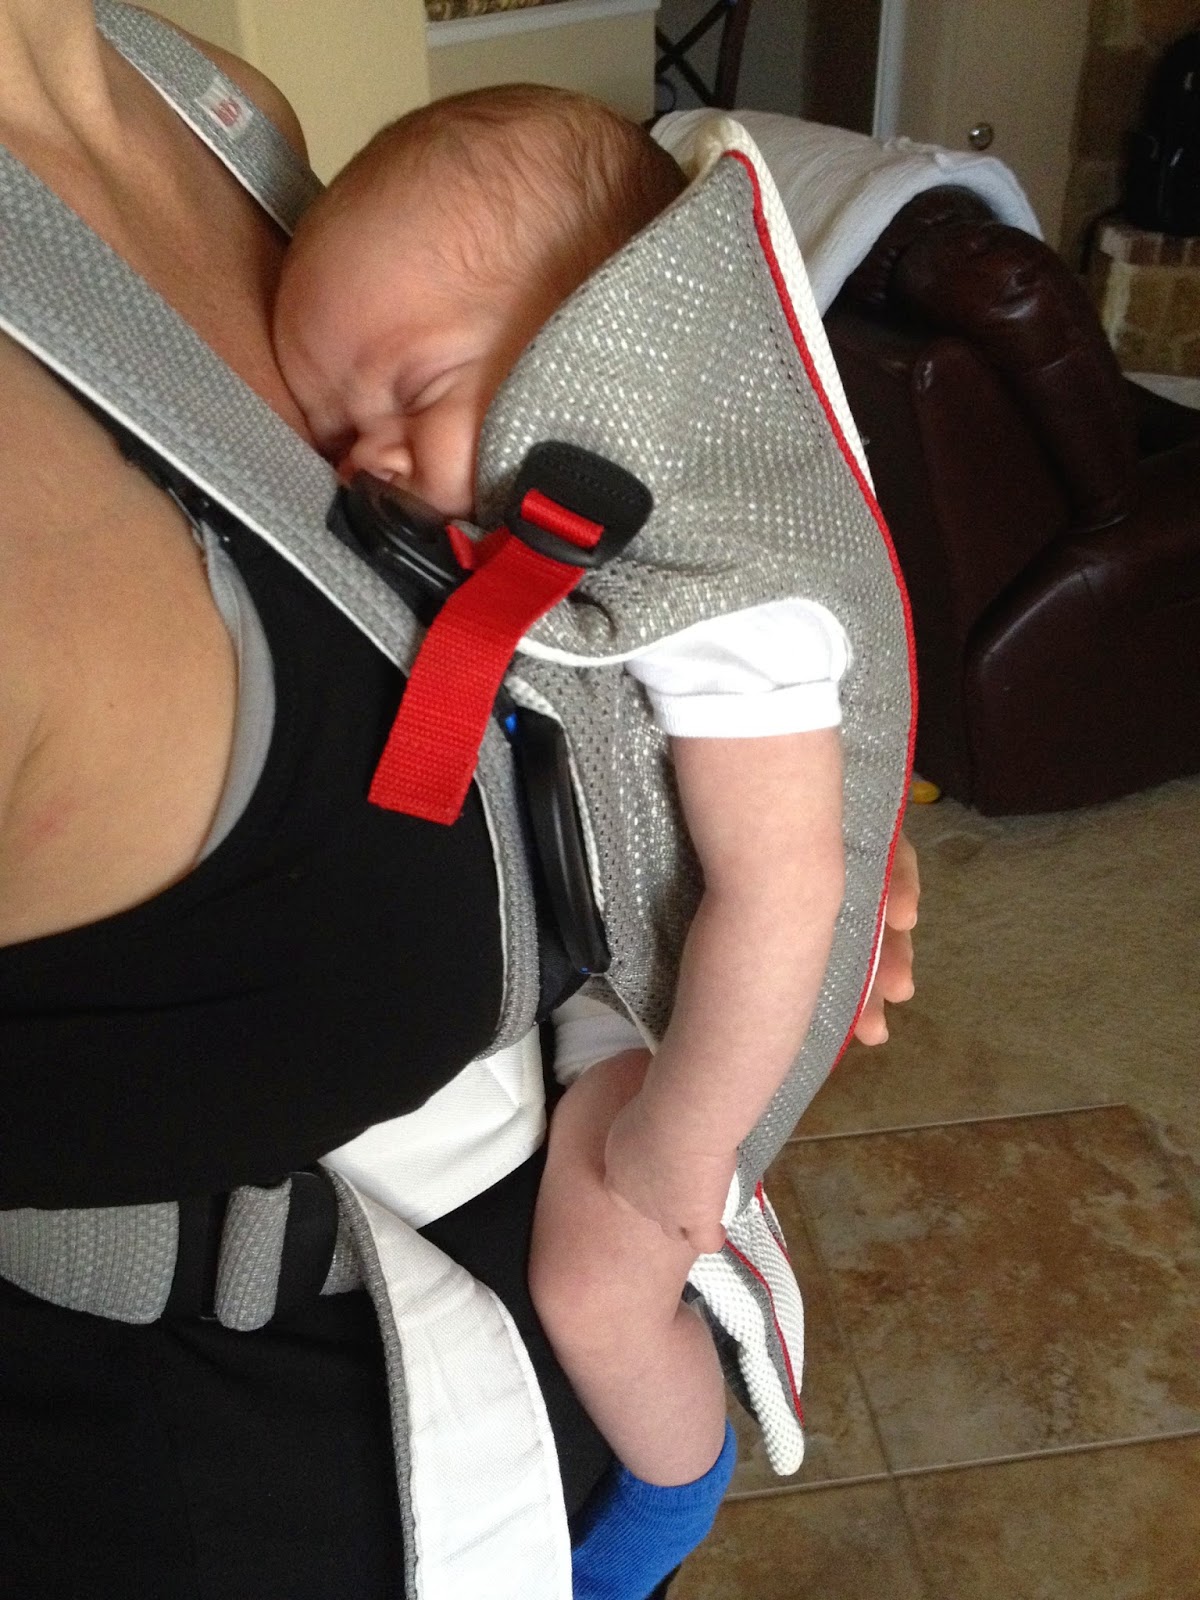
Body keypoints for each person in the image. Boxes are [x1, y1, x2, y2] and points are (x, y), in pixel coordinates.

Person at [0, 9, 916, 1595]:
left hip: (555, 1317)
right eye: (344, 429)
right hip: (239, 1489)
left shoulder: (201, 102)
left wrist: (752, 836)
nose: (368, 459)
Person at [272, 83, 919, 1597]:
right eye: (335, 431)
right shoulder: (583, 516)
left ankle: (669, 1500)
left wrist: (676, 1152)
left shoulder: (724, 601)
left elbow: (781, 889)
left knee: (596, 1277)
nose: (369, 461)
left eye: (415, 389)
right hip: (628, 948)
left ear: (600, 349)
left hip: (698, 1009)